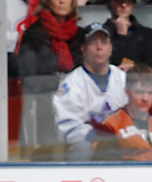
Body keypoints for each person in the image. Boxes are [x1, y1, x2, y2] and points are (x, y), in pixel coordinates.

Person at [53, 21, 127, 154]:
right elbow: (67, 126)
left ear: (110, 48)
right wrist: (100, 136)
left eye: (104, 42)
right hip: (91, 142)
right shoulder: (71, 83)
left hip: (123, 137)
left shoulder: (122, 78)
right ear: (83, 49)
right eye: (93, 42)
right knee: (82, 148)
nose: (99, 47)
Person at [15, 0, 84, 80]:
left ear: (72, 2)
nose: (62, 1)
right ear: (47, 0)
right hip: (43, 91)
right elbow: (28, 74)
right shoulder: (33, 34)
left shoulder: (81, 35)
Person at [93, 63, 152, 157]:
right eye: (139, 92)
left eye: (151, 93)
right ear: (127, 91)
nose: (145, 98)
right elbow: (103, 165)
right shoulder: (111, 124)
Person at [102, 0, 152, 68]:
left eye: (128, 0)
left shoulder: (149, 35)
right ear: (111, 3)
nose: (124, 5)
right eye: (118, 0)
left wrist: (135, 69)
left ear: (133, 4)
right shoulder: (101, 34)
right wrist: (121, 36)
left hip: (143, 81)